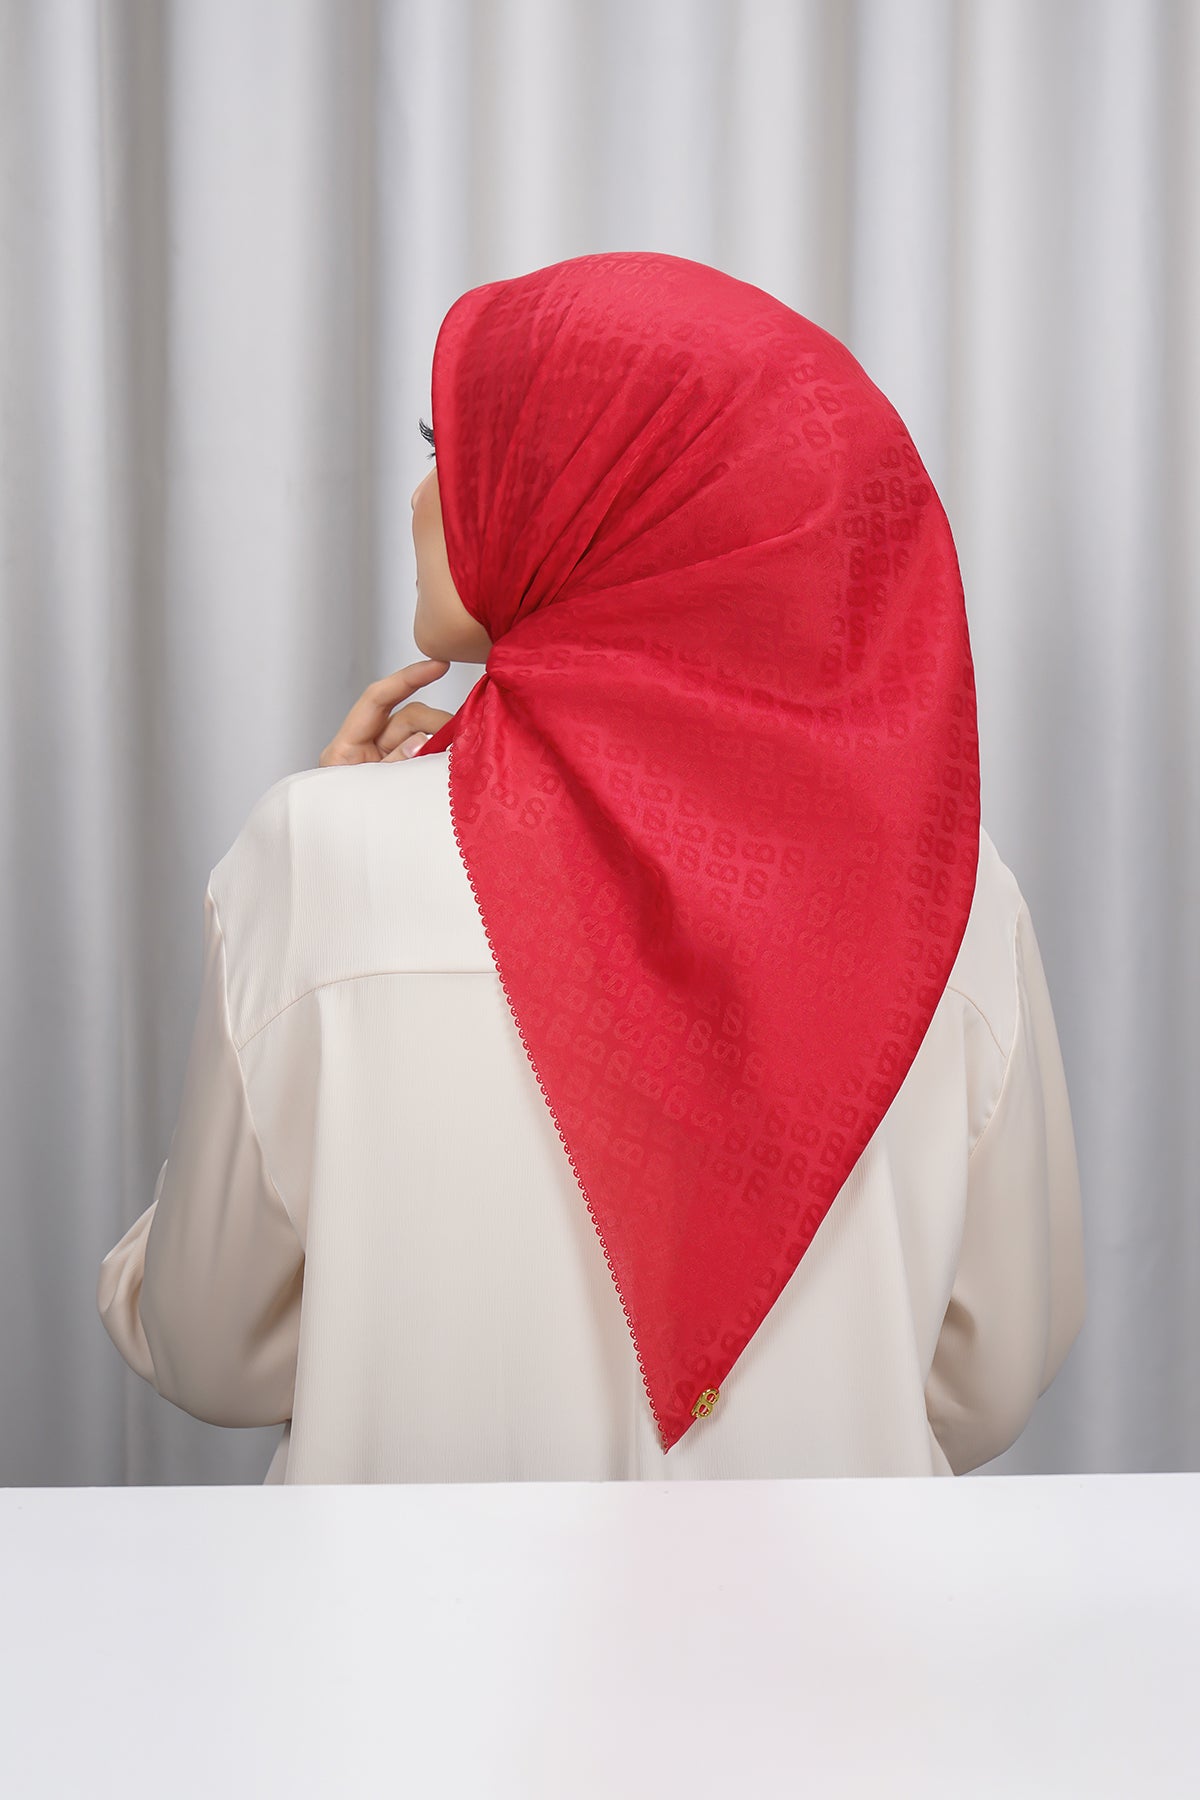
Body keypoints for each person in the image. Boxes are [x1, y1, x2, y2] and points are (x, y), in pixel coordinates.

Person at [97, 250, 1086, 1483]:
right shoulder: (954, 892)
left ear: (613, 498)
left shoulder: (318, 859)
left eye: (459, 451)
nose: (423, 495)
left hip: (407, 1612)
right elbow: (989, 1379)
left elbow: (209, 1350)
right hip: (828, 1608)